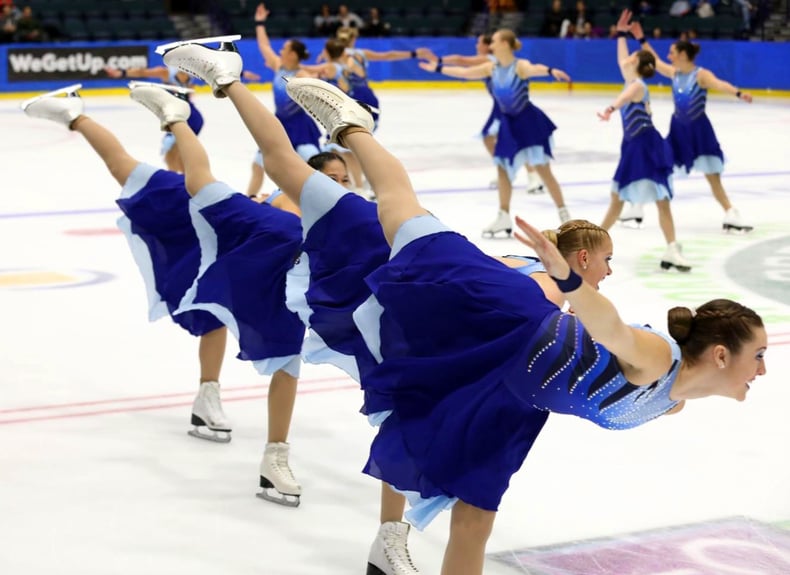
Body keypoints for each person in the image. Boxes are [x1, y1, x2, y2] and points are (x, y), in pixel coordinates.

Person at [161, 43, 767, 575]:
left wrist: (560, 283)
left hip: (511, 395)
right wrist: (566, 281)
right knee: (365, 197)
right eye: (757, 356)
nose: (762, 369)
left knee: (473, 516)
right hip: (499, 320)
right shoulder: (659, 359)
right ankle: (323, 116)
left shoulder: (675, 399)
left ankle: (391, 532)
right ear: (719, 352)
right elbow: (607, 326)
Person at [21, 82, 308, 506]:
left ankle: (271, 450)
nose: (334, 185)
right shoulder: (257, 207)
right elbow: (203, 177)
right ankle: (77, 114)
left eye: (340, 180)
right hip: (221, 229)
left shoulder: (320, 217)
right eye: (330, 177)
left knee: (287, 352)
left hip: (259, 267)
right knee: (130, 170)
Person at [420, 28, 573, 235]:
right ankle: (503, 217)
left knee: (543, 169)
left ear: (506, 44)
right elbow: (464, 73)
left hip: (528, 122)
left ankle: (564, 215)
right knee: (502, 169)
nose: (490, 45)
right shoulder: (490, 68)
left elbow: (534, 68)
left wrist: (550, 71)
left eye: (494, 41)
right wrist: (438, 68)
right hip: (508, 124)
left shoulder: (520, 66)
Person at [631, 20, 754, 233]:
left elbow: (720, 84)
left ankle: (731, 212)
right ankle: (638, 206)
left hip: (699, 132)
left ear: (683, 55)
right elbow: (655, 60)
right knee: (659, 163)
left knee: (712, 177)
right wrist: (641, 39)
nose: (669, 56)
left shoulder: (700, 75)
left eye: (672, 53)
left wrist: (739, 93)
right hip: (678, 130)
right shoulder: (674, 73)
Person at [597, 10, 692, 273]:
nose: (625, 59)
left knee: (660, 199)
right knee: (617, 199)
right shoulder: (632, 79)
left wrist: (610, 108)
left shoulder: (637, 85)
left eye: (631, 57)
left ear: (637, 64)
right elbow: (621, 60)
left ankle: (672, 248)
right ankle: (594, 242)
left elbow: (625, 97)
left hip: (646, 147)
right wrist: (621, 33)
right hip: (633, 146)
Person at [425, 34, 545, 195]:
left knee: (512, 140)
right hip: (500, 105)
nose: (476, 46)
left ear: (488, 46)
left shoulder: (488, 59)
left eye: (479, 43)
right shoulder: (492, 60)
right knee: (490, 138)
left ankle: (532, 177)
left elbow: (461, 60)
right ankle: (508, 173)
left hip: (508, 105)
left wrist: (438, 61)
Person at [247, 3, 322, 199]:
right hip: (279, 124)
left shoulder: (302, 74)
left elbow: (316, 86)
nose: (280, 50)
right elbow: (264, 45)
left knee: (316, 164)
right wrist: (260, 22)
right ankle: (249, 199)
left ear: (293, 54)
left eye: (285, 48)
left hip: (300, 126)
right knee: (258, 164)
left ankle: (325, 198)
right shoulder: (279, 66)